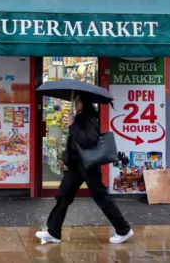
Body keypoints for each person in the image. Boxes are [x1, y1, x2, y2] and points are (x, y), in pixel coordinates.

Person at [36, 94, 133, 245]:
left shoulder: (88, 119)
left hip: (88, 166)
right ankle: (53, 232)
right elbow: (75, 143)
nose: (76, 103)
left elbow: (88, 140)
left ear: (85, 103)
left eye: (79, 100)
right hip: (76, 166)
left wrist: (72, 125)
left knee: (101, 197)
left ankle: (123, 229)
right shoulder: (81, 117)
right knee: (63, 196)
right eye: (76, 100)